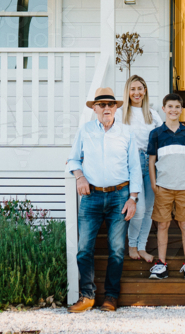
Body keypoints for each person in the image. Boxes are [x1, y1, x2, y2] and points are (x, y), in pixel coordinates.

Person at [65, 87, 141, 313]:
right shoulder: (85, 130)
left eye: (110, 104)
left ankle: (111, 296)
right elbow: (73, 159)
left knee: (117, 249)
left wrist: (133, 198)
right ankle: (87, 296)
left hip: (120, 196)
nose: (106, 108)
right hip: (92, 196)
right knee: (83, 249)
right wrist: (79, 177)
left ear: (116, 107)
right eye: (102, 105)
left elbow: (135, 168)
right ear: (95, 108)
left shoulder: (127, 133)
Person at [146, 92, 185, 280]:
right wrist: (154, 184)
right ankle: (161, 264)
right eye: (170, 107)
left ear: (181, 109)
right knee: (163, 225)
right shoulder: (156, 134)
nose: (174, 110)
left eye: (177, 107)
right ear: (163, 109)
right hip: (163, 186)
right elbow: (151, 161)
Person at [122, 74, 161, 262]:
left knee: (149, 209)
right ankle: (132, 245)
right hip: (132, 162)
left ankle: (142, 247)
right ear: (128, 92)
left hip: (151, 162)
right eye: (133, 89)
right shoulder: (122, 114)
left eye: (140, 89)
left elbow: (165, 135)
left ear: (145, 91)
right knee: (139, 207)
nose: (136, 92)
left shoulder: (153, 115)